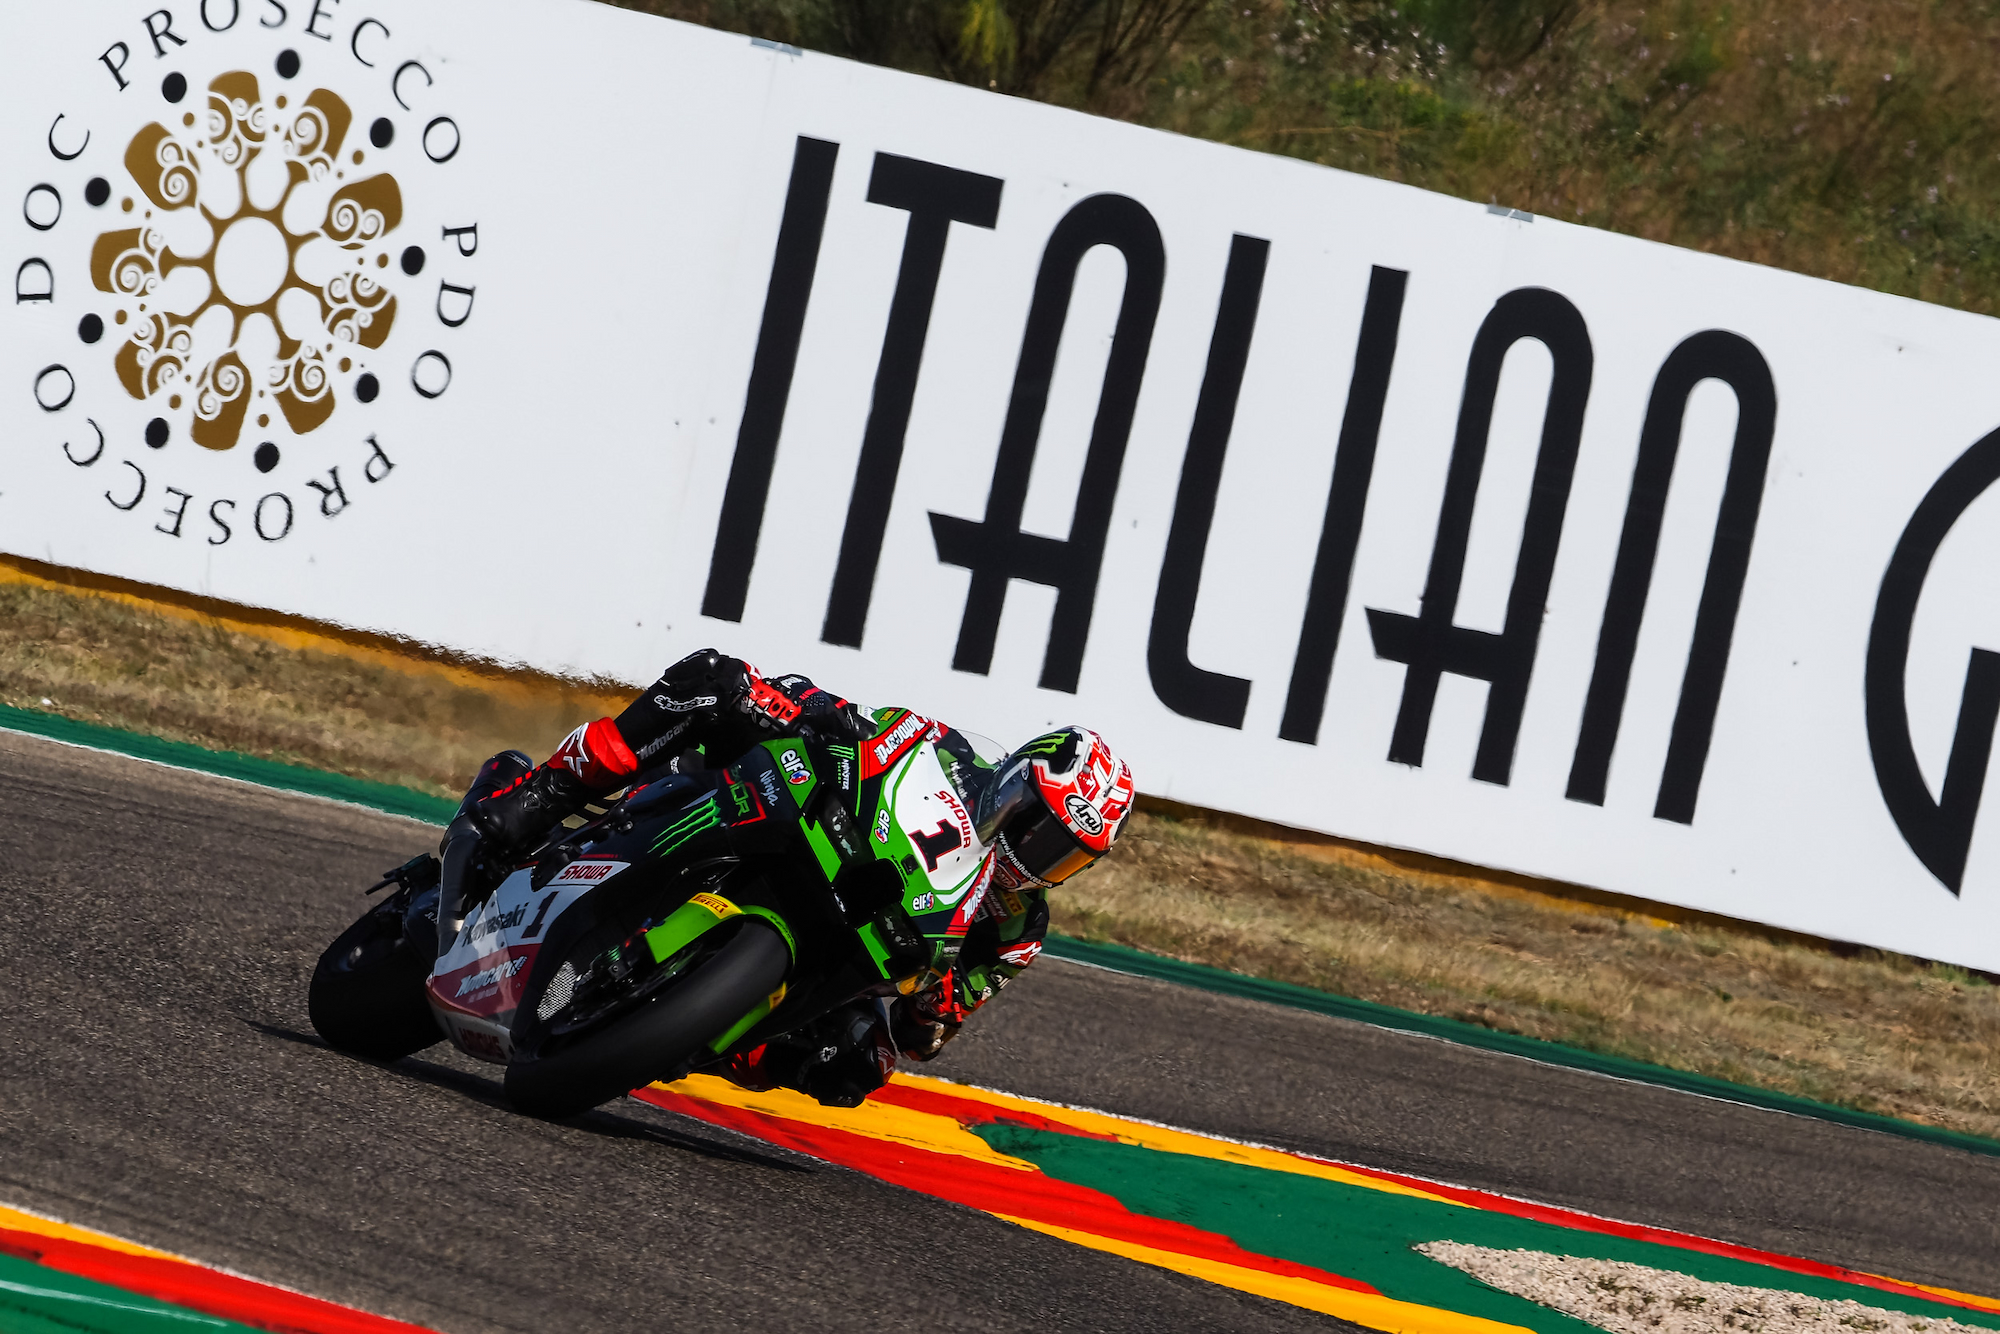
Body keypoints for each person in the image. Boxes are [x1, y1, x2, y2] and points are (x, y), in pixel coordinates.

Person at [468, 648, 1135, 1107]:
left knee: (862, 1062)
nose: (1039, 856)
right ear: (1017, 782)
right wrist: (804, 709)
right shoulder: (952, 751)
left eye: (1067, 856)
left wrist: (934, 1007)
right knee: (718, 680)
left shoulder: (1019, 928)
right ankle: (539, 798)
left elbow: (925, 1034)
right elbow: (862, 728)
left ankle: (673, 1039)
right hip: (813, 831)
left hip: (847, 954)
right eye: (1040, 828)